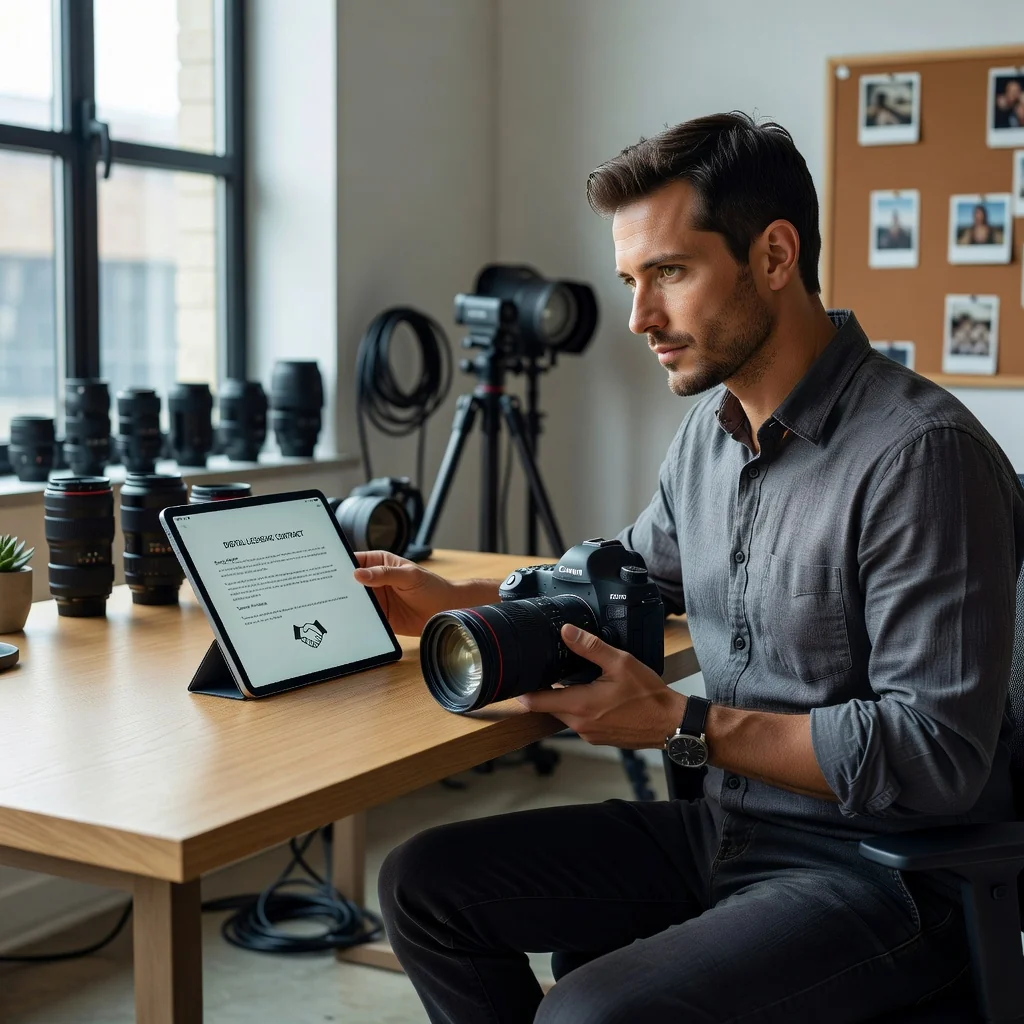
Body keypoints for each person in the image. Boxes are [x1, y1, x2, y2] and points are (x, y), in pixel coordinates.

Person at [359, 112, 1024, 1023]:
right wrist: (459, 598)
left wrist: (682, 723)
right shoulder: (707, 443)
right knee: (422, 884)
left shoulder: (920, 456)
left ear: (775, 255)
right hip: (730, 831)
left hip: (882, 876)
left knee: (587, 1014)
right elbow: (628, 577)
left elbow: (935, 754)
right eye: (632, 280)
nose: (639, 318)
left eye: (669, 273)